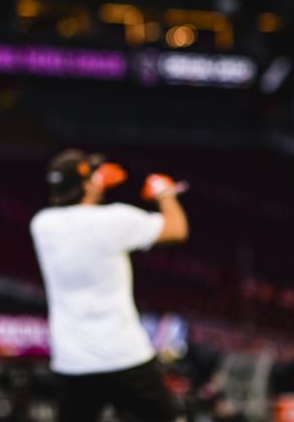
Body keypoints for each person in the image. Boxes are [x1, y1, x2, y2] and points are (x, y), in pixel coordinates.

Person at [29, 149, 189, 422]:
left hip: (72, 362)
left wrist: (92, 186)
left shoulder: (42, 225)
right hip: (125, 356)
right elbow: (177, 230)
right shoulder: (116, 219)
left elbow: (76, 210)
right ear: (88, 184)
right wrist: (165, 193)